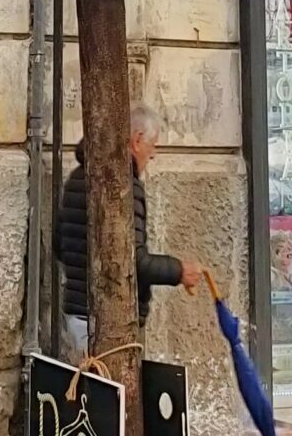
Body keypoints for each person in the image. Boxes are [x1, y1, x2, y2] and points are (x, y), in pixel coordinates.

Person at [55, 105, 203, 357]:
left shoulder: (77, 178)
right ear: (136, 140)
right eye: (152, 145)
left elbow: (61, 246)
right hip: (107, 320)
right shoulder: (124, 187)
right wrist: (179, 270)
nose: (153, 155)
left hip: (76, 314)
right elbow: (132, 261)